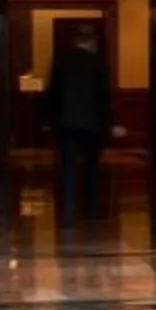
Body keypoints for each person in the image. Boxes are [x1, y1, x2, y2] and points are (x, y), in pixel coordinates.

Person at [44, 25, 115, 220]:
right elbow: (103, 95)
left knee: (67, 165)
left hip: (66, 122)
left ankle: (67, 208)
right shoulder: (97, 62)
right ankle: (90, 208)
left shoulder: (61, 61)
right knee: (90, 167)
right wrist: (109, 122)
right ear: (91, 42)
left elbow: (52, 93)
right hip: (91, 124)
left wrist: (50, 120)